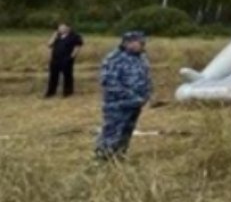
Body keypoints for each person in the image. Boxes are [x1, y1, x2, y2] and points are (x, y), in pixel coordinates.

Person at [95, 31, 152, 160]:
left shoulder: (141, 57)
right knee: (112, 132)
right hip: (118, 104)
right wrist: (131, 96)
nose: (142, 44)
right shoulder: (114, 59)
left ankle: (119, 156)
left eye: (143, 42)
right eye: (139, 42)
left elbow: (146, 78)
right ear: (127, 43)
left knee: (126, 132)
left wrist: (146, 95)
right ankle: (103, 158)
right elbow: (109, 82)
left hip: (135, 104)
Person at [46, 22, 84, 98]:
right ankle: (51, 92)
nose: (60, 29)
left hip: (66, 58)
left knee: (67, 76)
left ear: (68, 28)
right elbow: (49, 45)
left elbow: (77, 46)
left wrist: (72, 56)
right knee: (53, 76)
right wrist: (54, 36)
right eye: (59, 28)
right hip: (55, 59)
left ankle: (68, 92)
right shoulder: (57, 36)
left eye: (62, 27)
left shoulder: (74, 36)